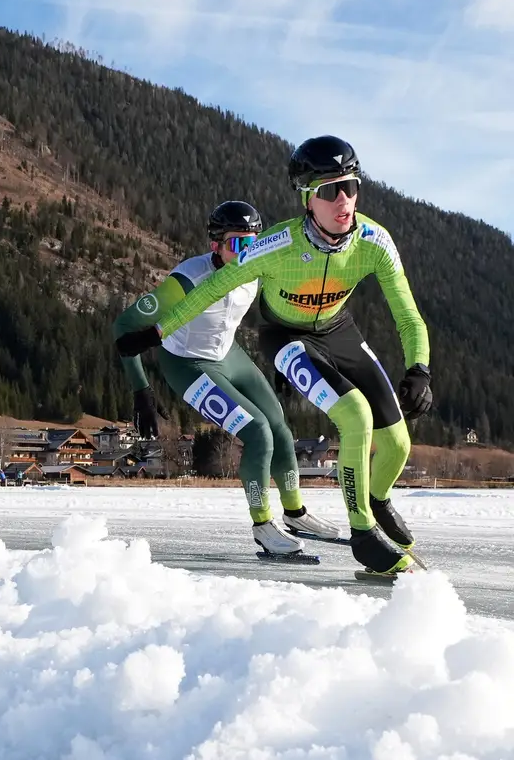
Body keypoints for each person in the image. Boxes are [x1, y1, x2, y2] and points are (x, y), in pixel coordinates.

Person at [115, 136, 432, 578]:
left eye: (351, 186)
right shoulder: (244, 259)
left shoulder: (371, 242)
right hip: (226, 351)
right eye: (328, 190)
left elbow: (407, 314)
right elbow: (190, 298)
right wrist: (148, 360)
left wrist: (419, 368)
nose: (343, 199)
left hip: (293, 340)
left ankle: (333, 508)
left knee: (320, 434)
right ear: (307, 198)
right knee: (298, 426)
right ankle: (299, 529)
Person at [113, 200, 342, 557]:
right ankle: (263, 525)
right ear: (215, 245)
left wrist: (286, 359)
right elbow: (125, 327)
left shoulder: (258, 268)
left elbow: (280, 315)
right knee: (258, 433)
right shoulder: (187, 280)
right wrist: (140, 390)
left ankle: (296, 512)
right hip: (187, 363)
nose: (248, 252)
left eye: (254, 242)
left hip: (229, 356)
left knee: (280, 427)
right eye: (238, 244)